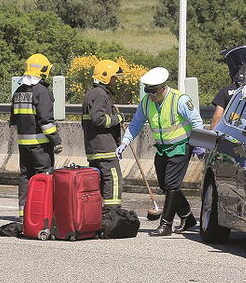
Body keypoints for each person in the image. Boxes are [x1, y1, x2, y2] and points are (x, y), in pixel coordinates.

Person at [117, 67, 204, 236]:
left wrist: (199, 144)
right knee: (165, 186)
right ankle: (187, 217)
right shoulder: (146, 102)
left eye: (154, 93)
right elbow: (136, 124)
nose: (151, 96)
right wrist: (124, 143)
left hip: (180, 147)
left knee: (172, 185)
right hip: (162, 149)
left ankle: (166, 225)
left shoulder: (180, 100)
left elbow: (196, 121)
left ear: (163, 88)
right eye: (148, 92)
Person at [10, 54, 62, 221]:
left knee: (25, 176)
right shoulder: (42, 91)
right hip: (40, 145)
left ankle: (23, 213)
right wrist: (56, 140)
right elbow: (45, 121)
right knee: (44, 177)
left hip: (23, 143)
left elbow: (13, 119)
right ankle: (43, 212)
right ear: (43, 71)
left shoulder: (19, 91)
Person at [82, 59, 125, 210]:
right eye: (113, 77)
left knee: (99, 183)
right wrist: (118, 118)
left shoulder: (92, 94)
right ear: (105, 76)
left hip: (95, 149)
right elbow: (98, 119)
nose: (115, 81)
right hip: (104, 149)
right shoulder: (100, 94)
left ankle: (98, 215)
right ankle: (111, 215)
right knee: (113, 180)